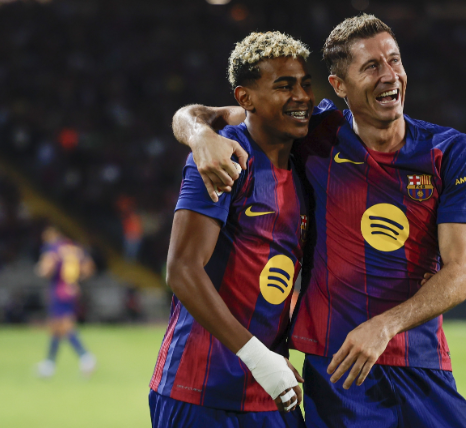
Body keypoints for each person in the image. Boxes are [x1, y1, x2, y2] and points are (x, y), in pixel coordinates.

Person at [173, 15, 466, 428]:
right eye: (371, 66)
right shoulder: (315, 131)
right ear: (339, 86)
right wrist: (198, 136)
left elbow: (462, 273)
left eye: (394, 60)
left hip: (421, 363)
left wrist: (384, 326)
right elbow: (207, 114)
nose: (389, 74)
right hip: (336, 371)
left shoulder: (452, 151)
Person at [149, 31, 315, 428]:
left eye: (305, 84)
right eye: (284, 86)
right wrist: (200, 134)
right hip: (199, 391)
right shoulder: (224, 157)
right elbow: (182, 270)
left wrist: (271, 362)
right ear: (246, 99)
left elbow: (197, 114)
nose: (301, 96)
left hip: (272, 388)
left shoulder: (308, 159)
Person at [36, 226, 96, 378]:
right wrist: (76, 281)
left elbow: (46, 269)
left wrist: (40, 270)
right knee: (56, 327)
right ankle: (49, 364)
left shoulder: (53, 248)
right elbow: (89, 268)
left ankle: (85, 357)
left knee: (65, 326)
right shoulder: (75, 248)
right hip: (71, 290)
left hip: (59, 290)